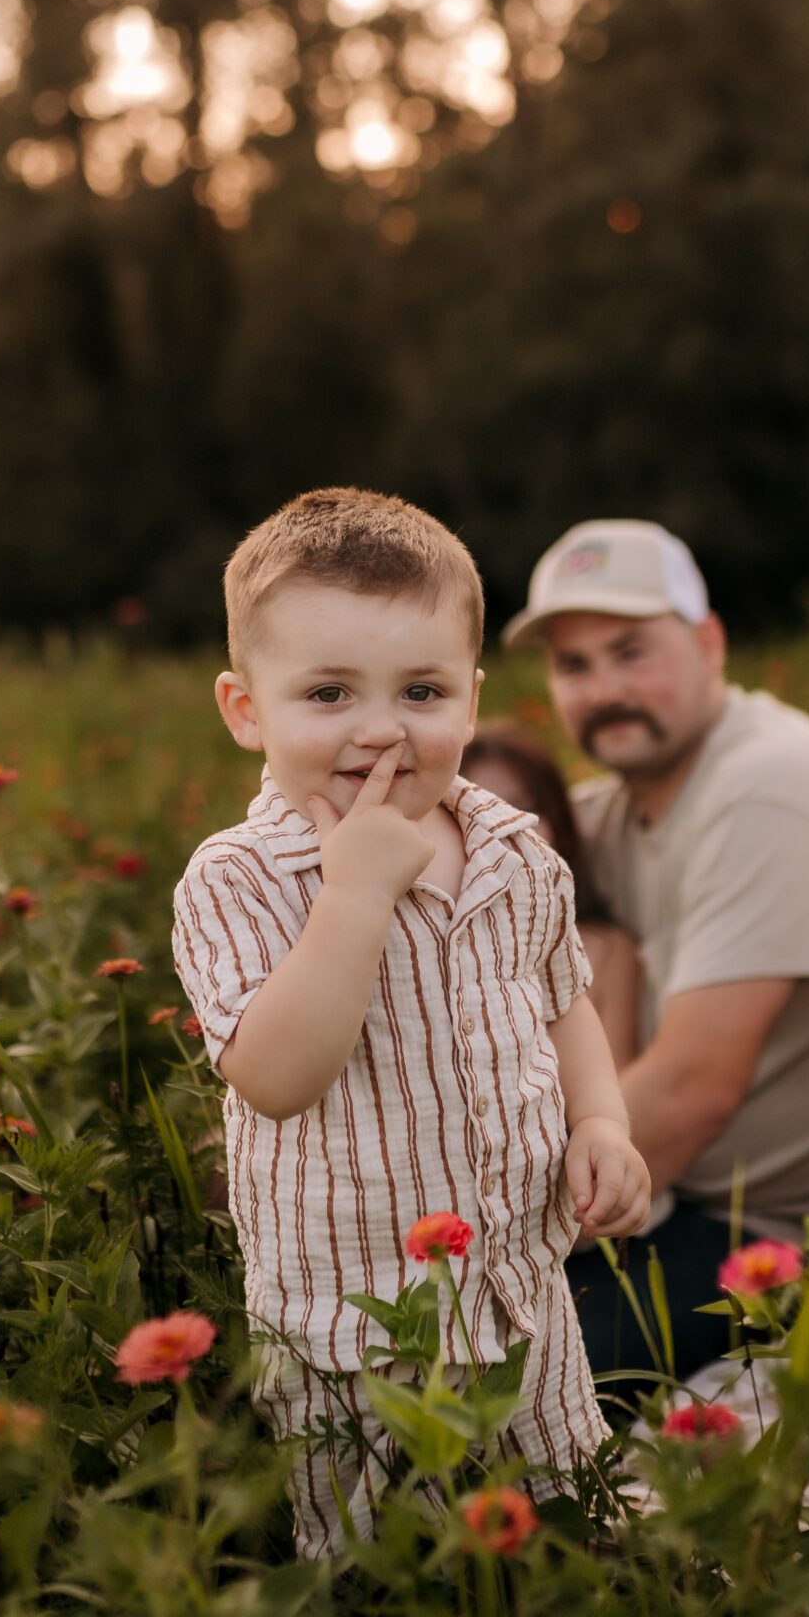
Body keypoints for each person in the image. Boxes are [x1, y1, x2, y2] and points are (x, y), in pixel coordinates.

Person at [171, 487, 651, 1557]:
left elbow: (564, 1000)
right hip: (356, 1327)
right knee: (378, 1566)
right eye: (330, 692)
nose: (381, 728)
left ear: (473, 702)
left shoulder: (514, 847)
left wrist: (604, 1123)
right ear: (248, 709)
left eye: (421, 690)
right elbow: (275, 1075)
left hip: (525, 1297)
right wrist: (353, 899)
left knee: (564, 1520)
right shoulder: (242, 878)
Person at [503, 518, 809, 1389]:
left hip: (785, 1234)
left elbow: (691, 1092)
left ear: (708, 642)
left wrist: (471, 1235)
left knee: (516, 1386)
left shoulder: (766, 787)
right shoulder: (617, 809)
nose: (603, 688)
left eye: (630, 651)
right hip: (672, 1204)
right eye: (572, 666)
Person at [462, 725, 641, 1069]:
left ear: (559, 821)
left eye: (526, 808)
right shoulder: (417, 947)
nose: (506, 828)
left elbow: (616, 1083)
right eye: (479, 814)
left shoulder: (605, 951)